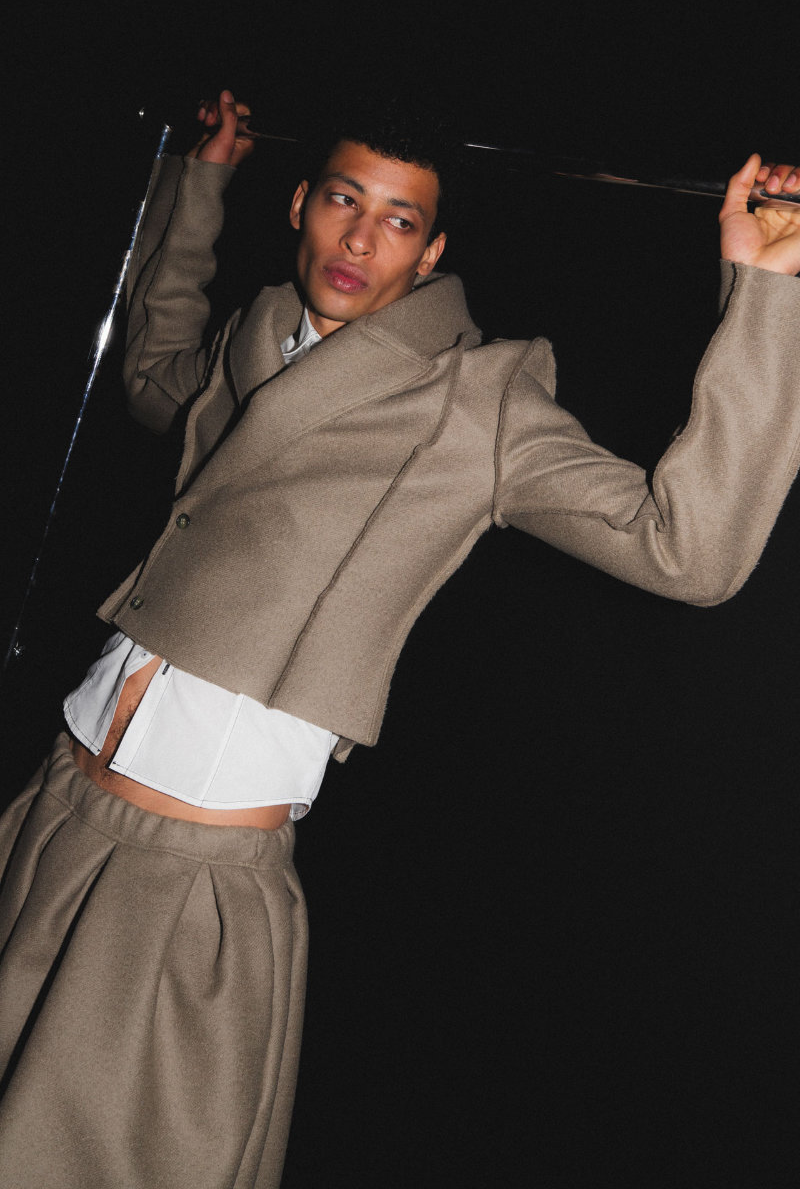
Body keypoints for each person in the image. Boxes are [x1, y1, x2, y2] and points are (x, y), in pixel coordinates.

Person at [0, 88, 798, 1188]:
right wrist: (199, 183)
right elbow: (149, 376)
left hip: (188, 880)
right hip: (54, 808)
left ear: (430, 255)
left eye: (398, 220)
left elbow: (686, 550)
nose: (359, 238)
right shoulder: (260, 335)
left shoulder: (472, 400)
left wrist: (761, 291)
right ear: (303, 203)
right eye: (342, 201)